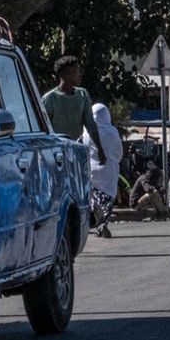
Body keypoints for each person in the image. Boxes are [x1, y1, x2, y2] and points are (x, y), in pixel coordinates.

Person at [86, 102, 123, 238]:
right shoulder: (112, 132)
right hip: (109, 172)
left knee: (92, 196)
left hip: (91, 171)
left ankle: (96, 215)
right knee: (107, 200)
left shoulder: (86, 131)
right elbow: (119, 153)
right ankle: (103, 223)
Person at [40, 55, 94, 144]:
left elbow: (90, 125)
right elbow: (43, 128)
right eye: (77, 72)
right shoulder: (49, 99)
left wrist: (100, 149)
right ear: (66, 74)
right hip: (57, 148)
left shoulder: (82, 94)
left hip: (76, 147)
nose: (80, 75)